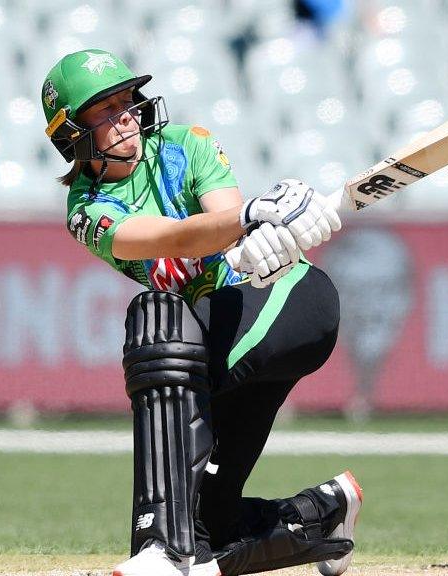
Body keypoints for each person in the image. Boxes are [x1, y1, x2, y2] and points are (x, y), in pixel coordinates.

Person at [42, 48, 360, 576]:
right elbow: (169, 236)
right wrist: (249, 219)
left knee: (159, 332)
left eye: (126, 101)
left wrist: (263, 226)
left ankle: (164, 549)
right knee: (208, 520)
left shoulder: (188, 145)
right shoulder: (87, 210)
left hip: (286, 300)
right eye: (104, 109)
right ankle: (323, 516)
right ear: (71, 134)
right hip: (219, 341)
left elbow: (223, 214)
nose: (124, 115)